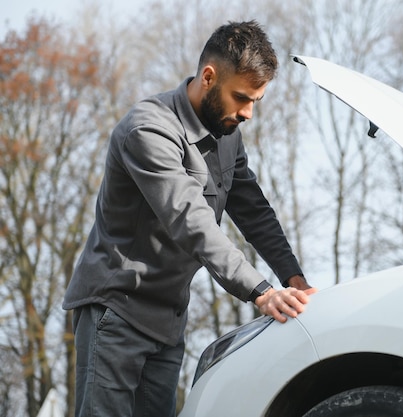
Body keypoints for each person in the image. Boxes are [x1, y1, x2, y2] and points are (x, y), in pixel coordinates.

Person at [63, 20, 316, 417]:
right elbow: (190, 218)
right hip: (117, 314)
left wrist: (292, 276)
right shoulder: (149, 129)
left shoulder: (228, 131)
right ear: (209, 77)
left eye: (256, 101)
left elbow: (252, 207)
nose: (248, 112)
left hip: (167, 323)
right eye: (241, 98)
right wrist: (261, 290)